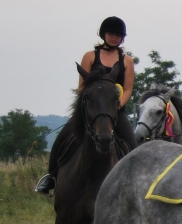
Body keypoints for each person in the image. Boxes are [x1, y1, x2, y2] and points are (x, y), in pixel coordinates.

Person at [35, 16, 138, 194]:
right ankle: (50, 177)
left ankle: (137, 183)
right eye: (111, 33)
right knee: (62, 138)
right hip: (92, 110)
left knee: (132, 144)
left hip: (115, 110)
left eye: (118, 35)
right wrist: (92, 104)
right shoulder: (90, 56)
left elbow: (128, 89)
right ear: (103, 34)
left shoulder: (127, 61)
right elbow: (82, 87)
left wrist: (117, 104)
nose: (114, 37)